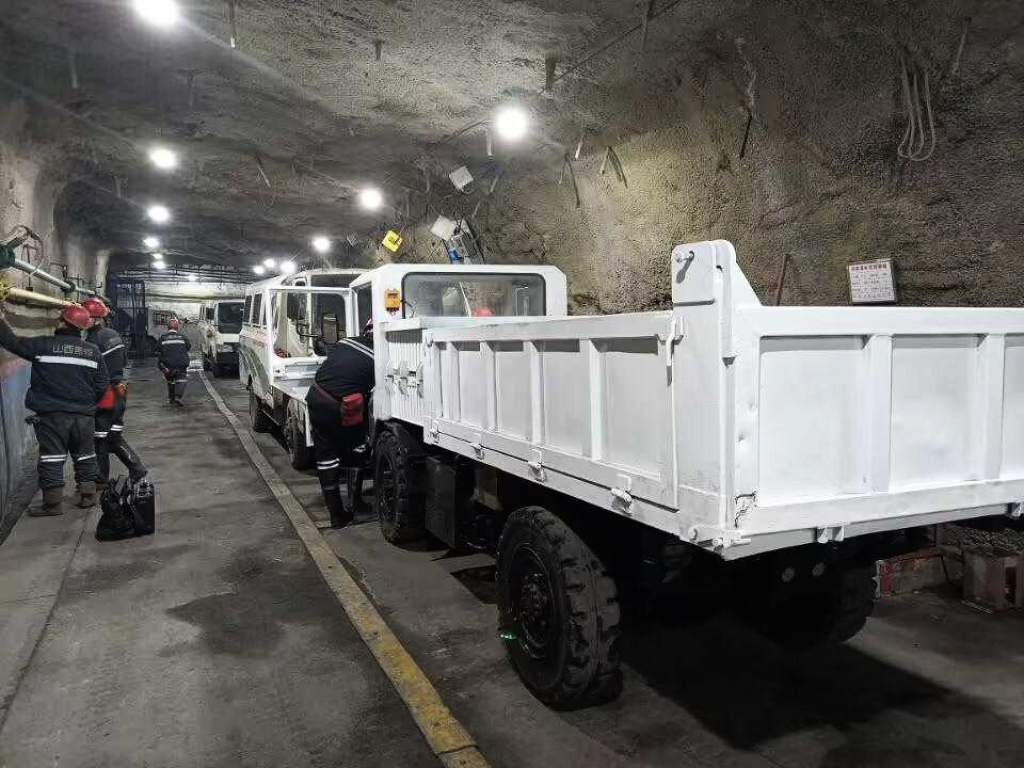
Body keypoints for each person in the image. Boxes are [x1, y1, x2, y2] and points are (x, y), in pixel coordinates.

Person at [0, 301, 109, 515]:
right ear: (81, 327)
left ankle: (52, 504)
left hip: (52, 415)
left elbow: (12, 342)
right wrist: (87, 405)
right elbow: (102, 385)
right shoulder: (92, 351)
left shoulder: (43, 345)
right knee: (86, 455)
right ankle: (88, 495)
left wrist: (1, 320)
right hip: (84, 416)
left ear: (62, 322)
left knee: (52, 457)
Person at [305, 320, 375, 528]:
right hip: (341, 405)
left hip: (315, 397)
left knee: (326, 457)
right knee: (357, 447)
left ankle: (336, 514)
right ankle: (355, 504)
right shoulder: (380, 358)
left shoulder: (345, 342)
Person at [82, 298, 147, 486]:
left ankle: (102, 480)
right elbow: (124, 361)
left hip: (106, 394)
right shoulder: (113, 334)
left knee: (100, 439)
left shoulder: (92, 341)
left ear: (93, 319)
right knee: (113, 437)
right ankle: (137, 469)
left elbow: (92, 373)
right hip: (119, 391)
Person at [157, 318, 191, 406]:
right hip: (181, 364)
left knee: (170, 379)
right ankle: (178, 397)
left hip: (168, 365)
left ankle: (171, 398)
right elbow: (188, 347)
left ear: (167, 328)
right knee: (181, 379)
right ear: (177, 328)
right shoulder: (183, 337)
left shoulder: (162, 338)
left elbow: (158, 350)